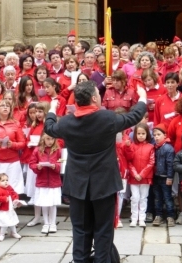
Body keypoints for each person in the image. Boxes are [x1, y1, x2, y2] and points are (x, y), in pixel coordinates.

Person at [44, 80, 147, 262]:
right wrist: (143, 97)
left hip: (78, 185)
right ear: (93, 98)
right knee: (103, 230)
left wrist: (52, 108)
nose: (100, 97)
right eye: (98, 95)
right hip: (104, 184)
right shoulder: (107, 119)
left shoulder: (67, 122)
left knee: (81, 230)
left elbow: (49, 128)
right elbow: (134, 116)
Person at [29, 133, 62, 234]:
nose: (50, 141)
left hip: (54, 181)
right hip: (42, 181)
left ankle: (53, 223)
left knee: (52, 204)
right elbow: (32, 163)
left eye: (52, 139)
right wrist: (37, 167)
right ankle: (46, 223)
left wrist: (55, 166)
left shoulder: (58, 150)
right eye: (48, 139)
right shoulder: (37, 150)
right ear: (43, 139)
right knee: (44, 203)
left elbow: (63, 163)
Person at [125, 123, 154, 227]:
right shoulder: (132, 146)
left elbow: (151, 162)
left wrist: (141, 174)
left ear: (147, 134)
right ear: (135, 134)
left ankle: (142, 218)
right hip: (134, 177)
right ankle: (134, 218)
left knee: (143, 197)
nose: (141, 135)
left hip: (145, 177)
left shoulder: (150, 147)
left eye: (143, 133)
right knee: (135, 197)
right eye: (139, 133)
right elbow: (129, 161)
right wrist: (135, 173)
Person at [152, 124, 175, 227]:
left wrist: (170, 177)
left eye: (158, 134)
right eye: (154, 135)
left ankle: (170, 216)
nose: (156, 137)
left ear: (165, 135)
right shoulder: (154, 147)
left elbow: (170, 164)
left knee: (167, 197)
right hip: (156, 177)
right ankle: (159, 215)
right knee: (157, 198)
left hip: (165, 177)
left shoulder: (168, 148)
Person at [0, 173, 21, 241]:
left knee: (12, 221)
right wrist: (4, 199)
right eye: (3, 180)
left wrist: (15, 198)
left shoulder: (9, 188)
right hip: (2, 210)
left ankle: (14, 232)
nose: (5, 182)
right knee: (5, 223)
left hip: (9, 209)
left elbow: (13, 193)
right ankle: (1, 234)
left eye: (6, 180)